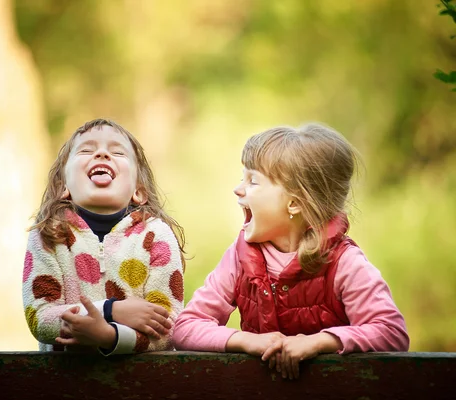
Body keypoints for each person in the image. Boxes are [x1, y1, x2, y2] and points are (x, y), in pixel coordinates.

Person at [172, 123, 409, 379]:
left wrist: (318, 342)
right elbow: (186, 327)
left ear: (294, 203)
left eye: (253, 181)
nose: (238, 189)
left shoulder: (344, 262)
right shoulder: (241, 257)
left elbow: (391, 332)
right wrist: (247, 341)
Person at [23, 118, 185, 355]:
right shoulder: (49, 234)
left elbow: (168, 327)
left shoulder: (156, 235)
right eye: (87, 150)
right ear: (62, 186)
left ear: (138, 191)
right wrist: (111, 311)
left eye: (118, 152)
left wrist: (110, 337)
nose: (101, 154)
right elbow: (41, 317)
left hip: (142, 386)